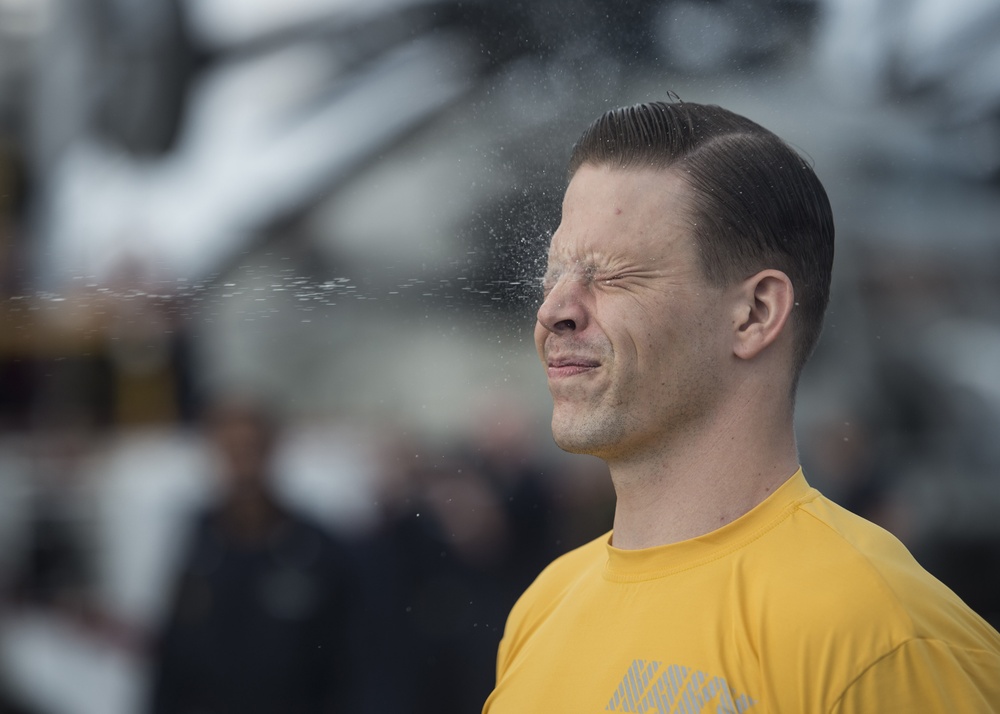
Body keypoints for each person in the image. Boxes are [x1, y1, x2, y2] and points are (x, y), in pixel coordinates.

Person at [482, 101, 1000, 712]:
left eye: (612, 275)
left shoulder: (885, 640)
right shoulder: (542, 607)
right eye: (555, 273)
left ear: (755, 314)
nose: (554, 311)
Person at [148, 395, 367, 714]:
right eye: (231, 448)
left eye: (252, 447)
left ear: (273, 448)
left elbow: (353, 662)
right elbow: (170, 663)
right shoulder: (190, 546)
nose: (242, 461)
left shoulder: (317, 550)